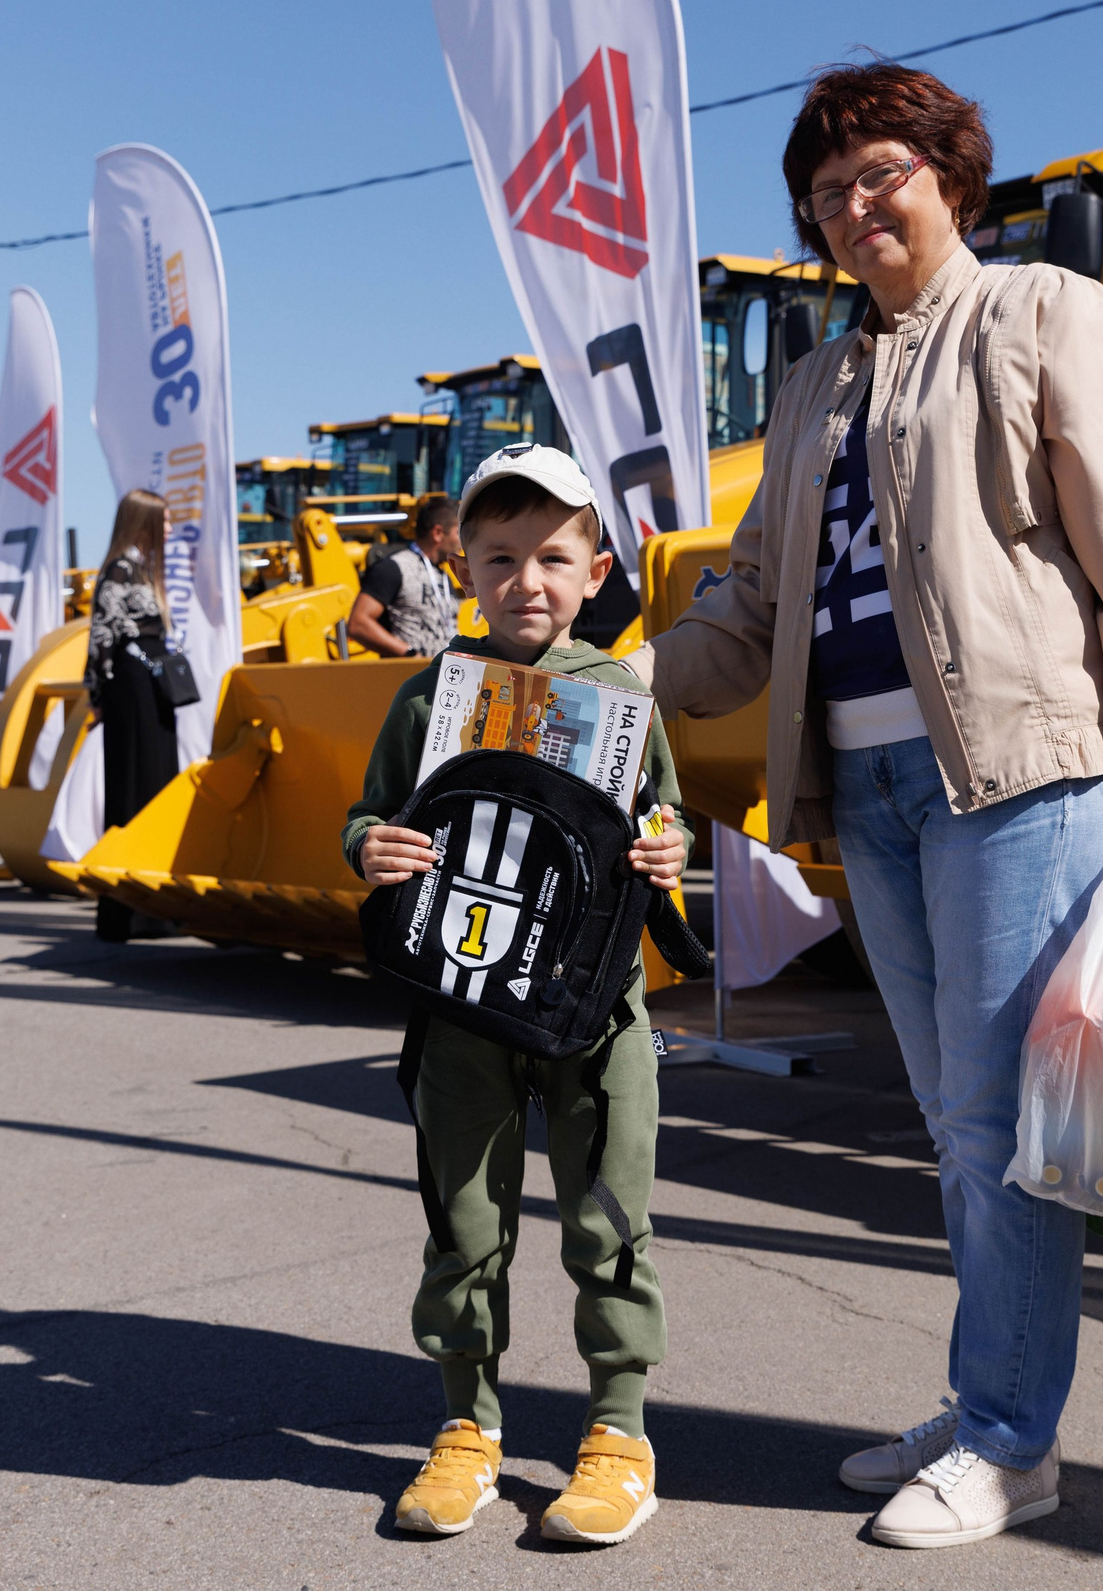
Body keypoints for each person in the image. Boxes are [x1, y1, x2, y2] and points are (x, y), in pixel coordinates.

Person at [634, 63, 1103, 1549]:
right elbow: (753, 606)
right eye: (825, 196)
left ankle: (1015, 1441)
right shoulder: (820, 382)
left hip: (1017, 772)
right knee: (959, 1124)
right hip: (868, 781)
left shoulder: (1042, 315)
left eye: (878, 172)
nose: (852, 208)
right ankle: (987, 1401)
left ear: (950, 173)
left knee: (1001, 1113)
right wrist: (606, 687)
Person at [344, 444, 691, 1547]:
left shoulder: (624, 698)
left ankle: (618, 1435)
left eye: (552, 555)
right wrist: (373, 848)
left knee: (609, 1223)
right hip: (462, 1007)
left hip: (598, 1012)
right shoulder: (427, 695)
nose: (525, 580)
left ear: (595, 570)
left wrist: (668, 850)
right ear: (465, 567)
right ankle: (466, 1430)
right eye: (500, 557)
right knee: (465, 1224)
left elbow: (667, 819)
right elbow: (368, 817)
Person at [86, 488, 184, 943]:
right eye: (162, 521)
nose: (169, 529)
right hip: (132, 686)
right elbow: (101, 635)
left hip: (152, 685)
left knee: (155, 784)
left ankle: (151, 908)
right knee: (132, 785)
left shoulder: (141, 569)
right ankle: (123, 912)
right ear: (143, 522)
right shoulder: (122, 569)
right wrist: (98, 694)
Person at [349, 493, 462, 658]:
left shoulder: (444, 577)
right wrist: (409, 653)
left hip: (445, 678)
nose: (462, 541)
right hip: (407, 678)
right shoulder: (393, 568)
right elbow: (358, 624)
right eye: (458, 533)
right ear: (438, 533)